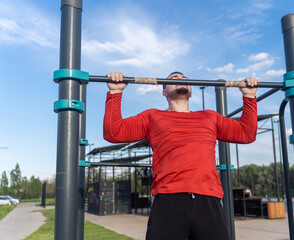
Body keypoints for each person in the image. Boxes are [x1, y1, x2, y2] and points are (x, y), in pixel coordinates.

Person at [103, 71, 259, 240]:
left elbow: (246, 134)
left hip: (208, 198)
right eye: (174, 79)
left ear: (191, 89)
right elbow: (114, 133)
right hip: (168, 198)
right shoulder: (152, 116)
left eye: (185, 79)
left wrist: (249, 97)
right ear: (164, 91)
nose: (181, 80)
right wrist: (115, 93)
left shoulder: (209, 116)